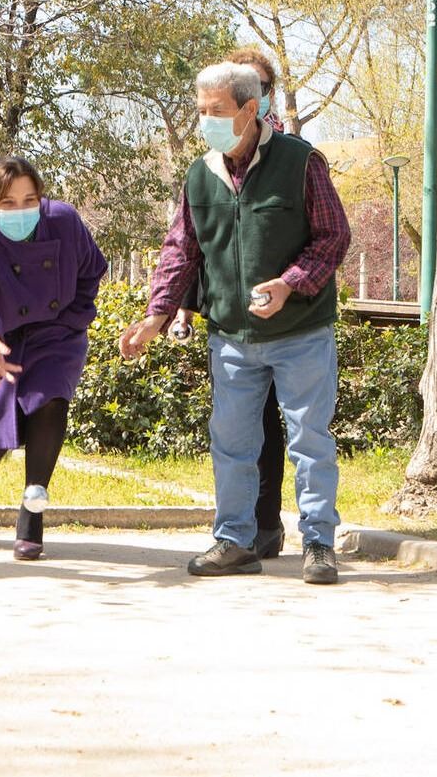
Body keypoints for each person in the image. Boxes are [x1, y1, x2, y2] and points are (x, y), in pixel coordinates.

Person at [120, 62, 351, 585]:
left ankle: (319, 543)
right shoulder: (200, 173)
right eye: (201, 112)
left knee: (309, 440)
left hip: (301, 332)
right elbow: (181, 248)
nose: (207, 121)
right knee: (231, 442)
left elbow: (333, 237)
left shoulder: (301, 161)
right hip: (231, 337)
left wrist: (290, 282)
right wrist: (158, 313)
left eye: (217, 111)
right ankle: (235, 541)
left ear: (251, 109)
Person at [0, 156, 108, 560]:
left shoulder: (64, 221)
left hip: (54, 333)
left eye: (30, 200)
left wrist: (74, 317)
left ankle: (32, 512)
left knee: (49, 400)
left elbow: (91, 270)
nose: (20, 211)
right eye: (8, 203)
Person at [169, 46, 291, 560]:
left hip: (285, 322)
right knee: (238, 427)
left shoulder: (290, 155)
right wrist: (178, 308)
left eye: (261, 87)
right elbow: (195, 244)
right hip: (230, 321)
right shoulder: (209, 166)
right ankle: (238, 530)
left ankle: (268, 522)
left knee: (276, 426)